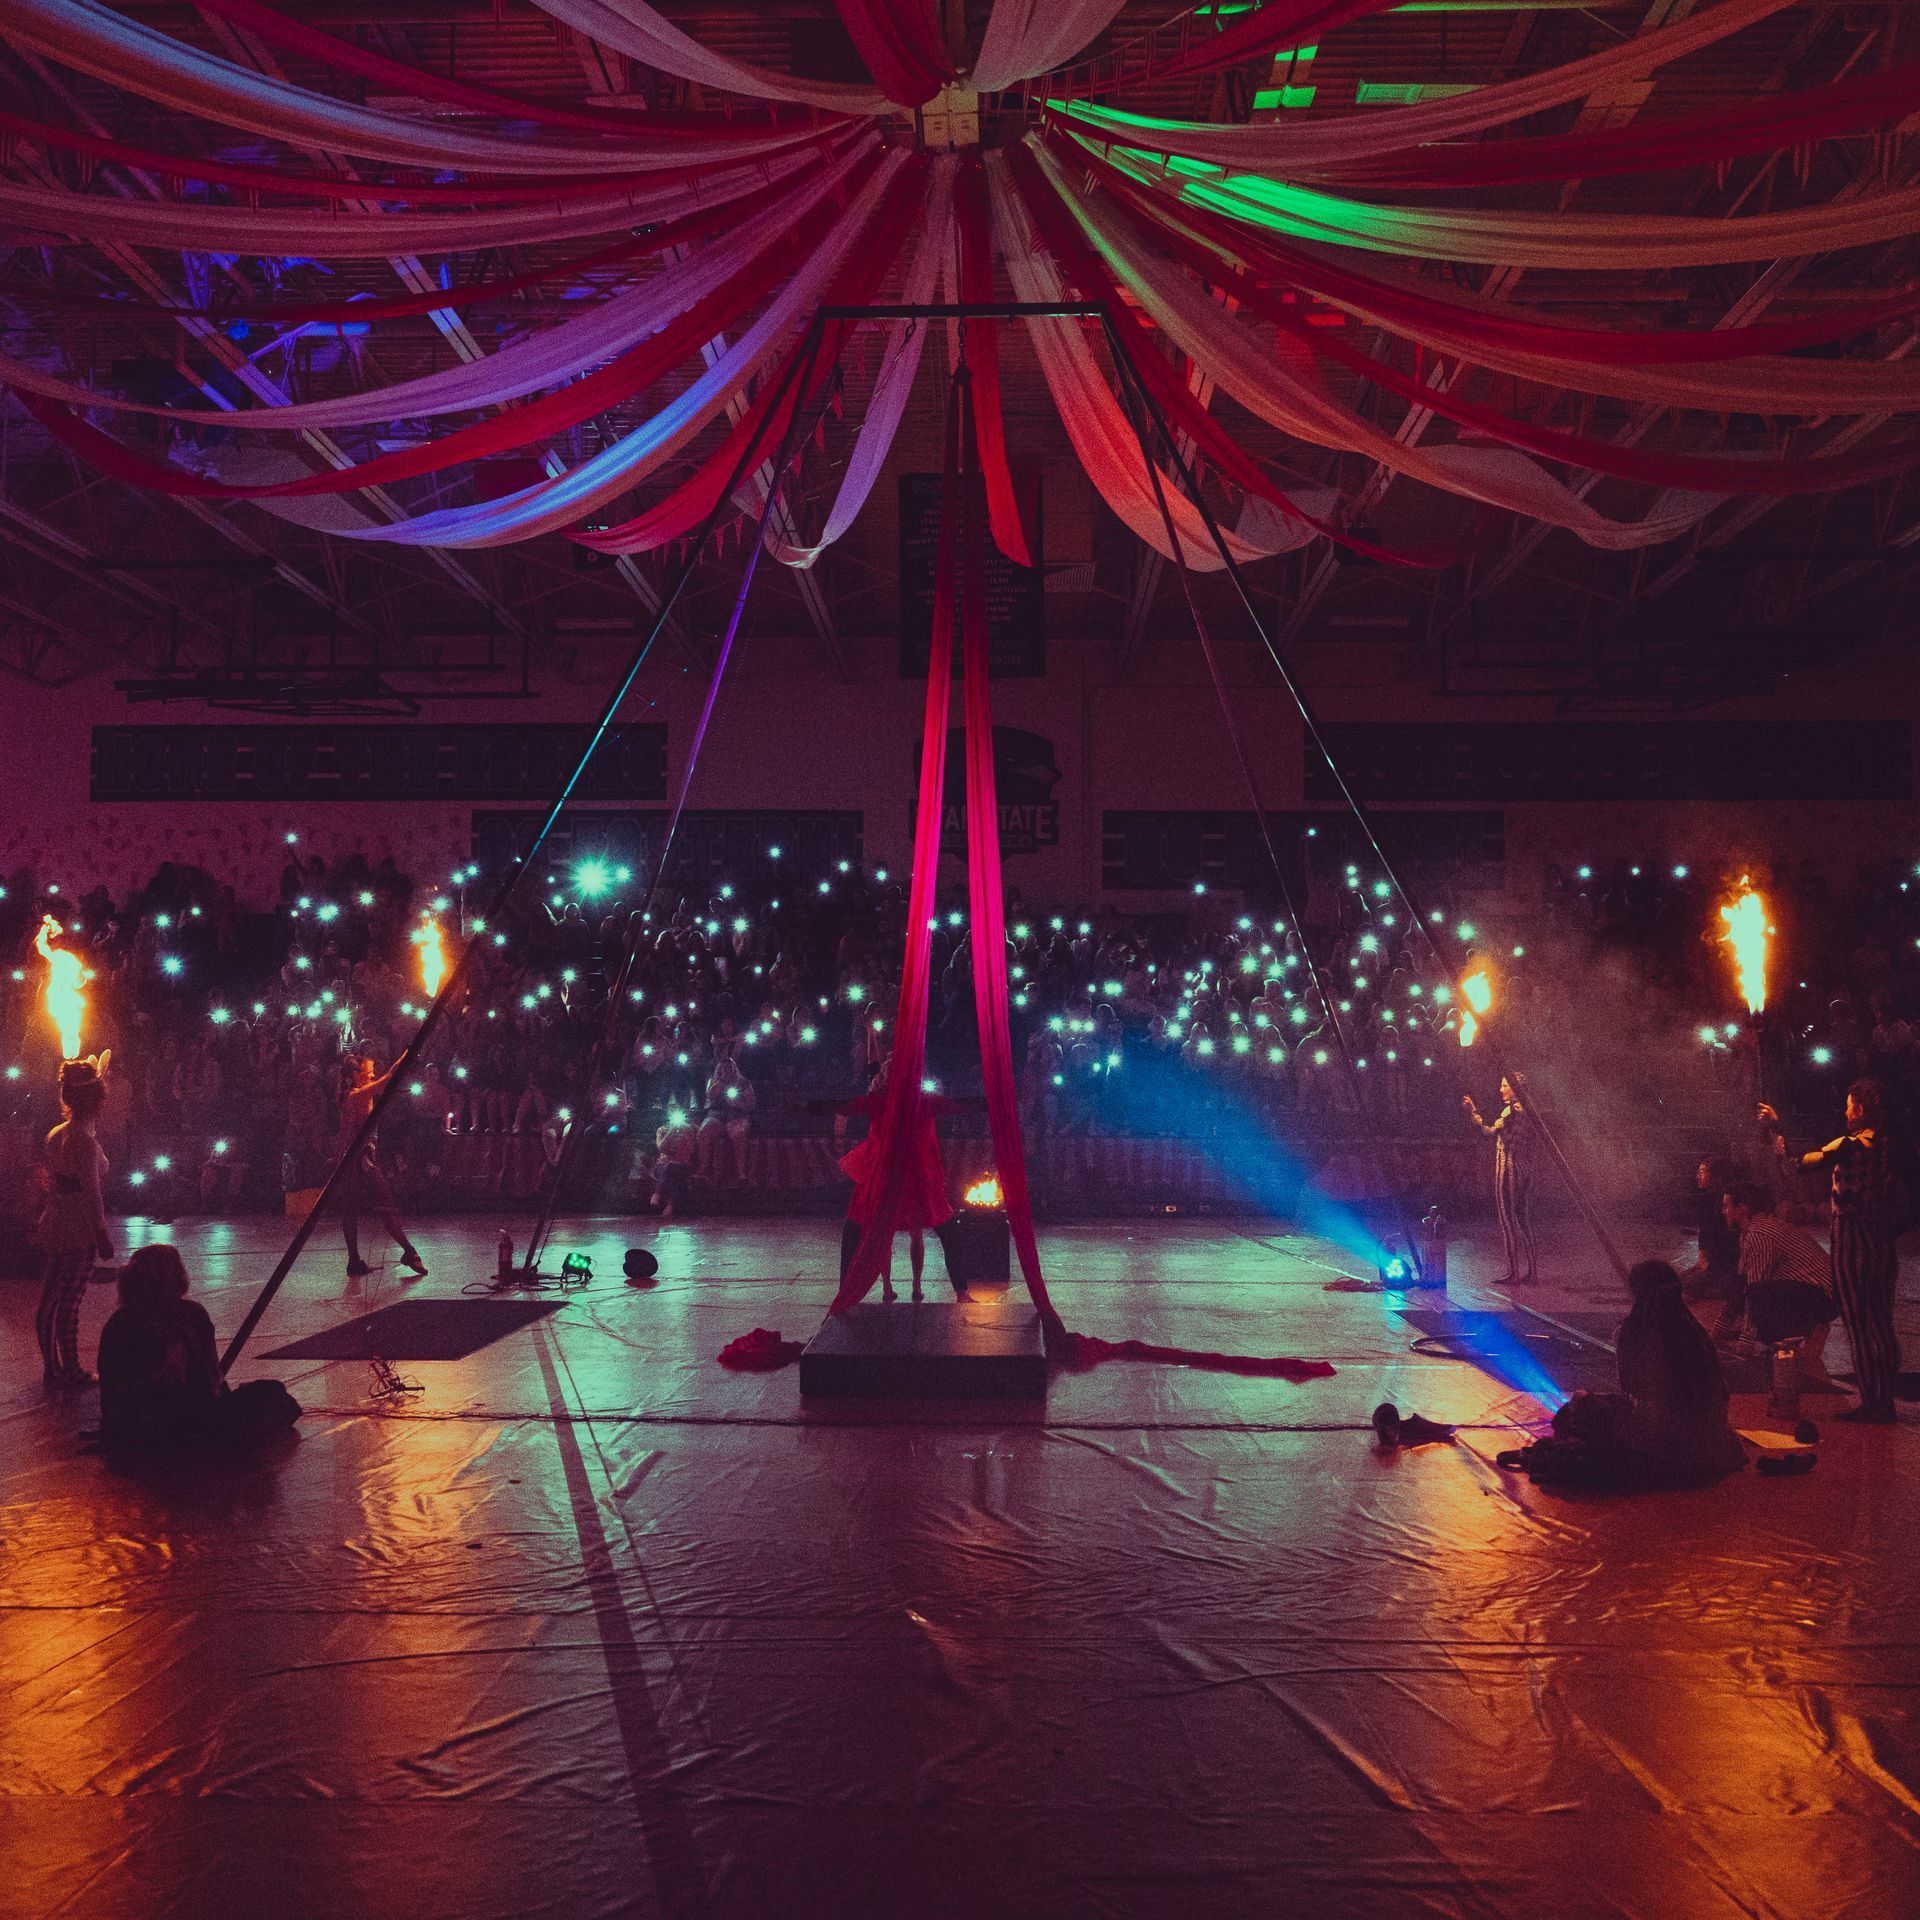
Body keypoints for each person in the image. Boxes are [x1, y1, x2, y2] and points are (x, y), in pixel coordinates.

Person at [1502, 1261, 1744, 1489]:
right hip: (1713, 1441)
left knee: (1579, 1406)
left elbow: (1637, 1395)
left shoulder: (1636, 1332)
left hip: (1663, 1439)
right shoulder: (1695, 1330)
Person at [1762, 1081, 1906, 1423]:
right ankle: (1883, 1398)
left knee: (1859, 1324)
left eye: (1848, 1105)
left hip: (1853, 1243)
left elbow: (1797, 1162)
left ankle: (1875, 1403)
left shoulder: (1851, 1145)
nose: (1844, 1112)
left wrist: (1776, 1129)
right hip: (1881, 1245)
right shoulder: (1886, 1145)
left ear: (1859, 1110)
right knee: (1881, 1325)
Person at [97, 1245, 301, 1458]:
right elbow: (211, 1380)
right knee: (270, 1395)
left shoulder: (119, 1322)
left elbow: (113, 1389)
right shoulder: (190, 1315)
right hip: (175, 1421)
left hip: (130, 1427)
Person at [836, 1059, 964, 1303]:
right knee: (866, 1230)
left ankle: (951, 1289)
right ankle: (871, 1289)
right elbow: (849, 1107)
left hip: (913, 1176)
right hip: (889, 1176)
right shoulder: (880, 1101)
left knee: (936, 1231)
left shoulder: (922, 1101)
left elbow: (953, 1107)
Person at [37, 1055, 113, 1388]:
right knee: (69, 1299)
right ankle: (68, 1370)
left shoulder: (57, 1133)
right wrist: (101, 1235)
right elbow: (92, 1193)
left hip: (55, 1221)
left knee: (52, 1296)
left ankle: (52, 1368)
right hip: (77, 1227)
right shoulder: (85, 1143)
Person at [1720, 1182, 1838, 1372]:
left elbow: (1754, 1289)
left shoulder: (1759, 1234)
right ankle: (1803, 1329)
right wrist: (1719, 1330)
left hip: (1824, 1297)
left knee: (1756, 1294)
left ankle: (1812, 1327)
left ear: (1741, 1210)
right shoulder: (1750, 1231)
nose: (1722, 1211)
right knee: (1738, 1283)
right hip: (1811, 1291)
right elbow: (1740, 1284)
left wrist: (1746, 1342)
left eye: (1726, 1206)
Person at [334, 1054, 427, 1281]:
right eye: (369, 1073)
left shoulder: (361, 1094)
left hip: (357, 1158)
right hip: (358, 1160)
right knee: (384, 1204)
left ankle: (355, 1260)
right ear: (356, 1075)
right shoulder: (355, 1095)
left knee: (352, 1208)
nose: (373, 1075)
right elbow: (389, 1077)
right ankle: (408, 1251)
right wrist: (407, 1052)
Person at [1462, 1076, 1537, 1285]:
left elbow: (1488, 1132)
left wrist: (1473, 1112)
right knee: (1523, 1220)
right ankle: (1532, 1272)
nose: (1501, 1089)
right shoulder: (1527, 1110)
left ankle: (1513, 1272)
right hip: (1524, 1168)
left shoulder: (1511, 1111)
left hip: (1509, 1168)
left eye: (1505, 1086)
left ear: (1516, 1089)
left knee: (1507, 1221)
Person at [1685, 1156, 1741, 1313]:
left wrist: (1711, 1266)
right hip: (1714, 1260)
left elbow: (1732, 1246)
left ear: (1717, 1176)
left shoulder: (1729, 1202)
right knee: (1680, 1280)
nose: (1698, 1176)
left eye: (1703, 1172)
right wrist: (1702, 1257)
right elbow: (1704, 1230)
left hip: (1728, 1264)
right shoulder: (1704, 1199)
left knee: (1691, 1284)